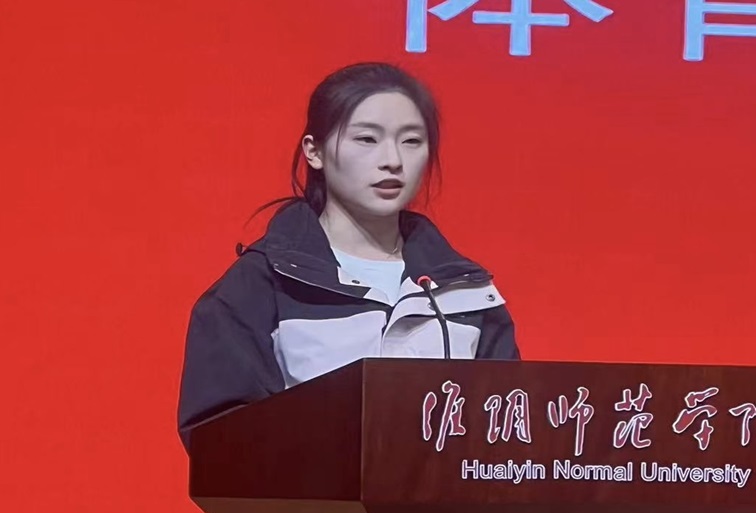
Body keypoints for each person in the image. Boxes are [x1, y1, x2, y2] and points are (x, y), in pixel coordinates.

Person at [177, 61, 520, 451]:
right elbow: (221, 443)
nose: (392, 160)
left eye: (411, 141)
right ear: (315, 151)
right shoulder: (260, 286)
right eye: (367, 139)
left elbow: (506, 438)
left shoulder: (468, 294)